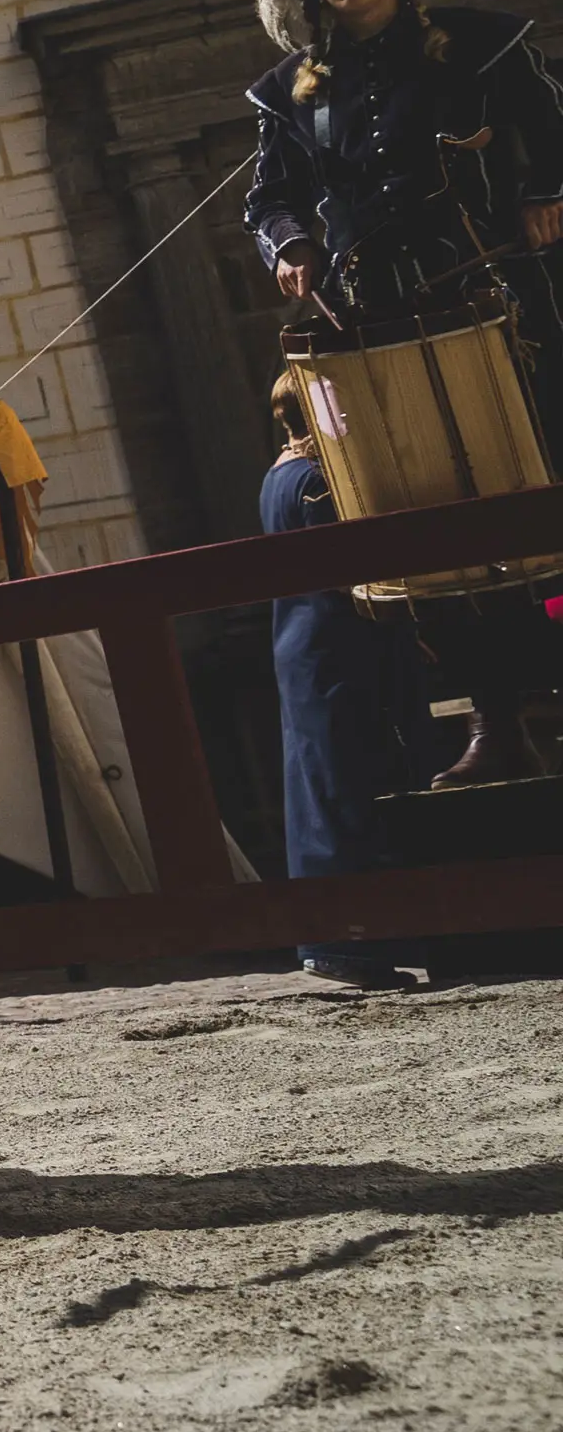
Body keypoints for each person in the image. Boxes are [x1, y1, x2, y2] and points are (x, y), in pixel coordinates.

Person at [243, 0, 563, 787]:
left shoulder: (482, 43)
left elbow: (554, 131)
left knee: (544, 497)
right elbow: (266, 202)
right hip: (379, 332)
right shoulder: (291, 92)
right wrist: (292, 244)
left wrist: (546, 193)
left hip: (511, 314)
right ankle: (498, 724)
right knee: (434, 531)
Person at [262, 387, 455, 989]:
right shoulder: (317, 479)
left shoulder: (275, 476)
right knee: (351, 784)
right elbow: (355, 574)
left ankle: (337, 936)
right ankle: (353, 941)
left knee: (319, 781)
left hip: (301, 641)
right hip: (338, 643)